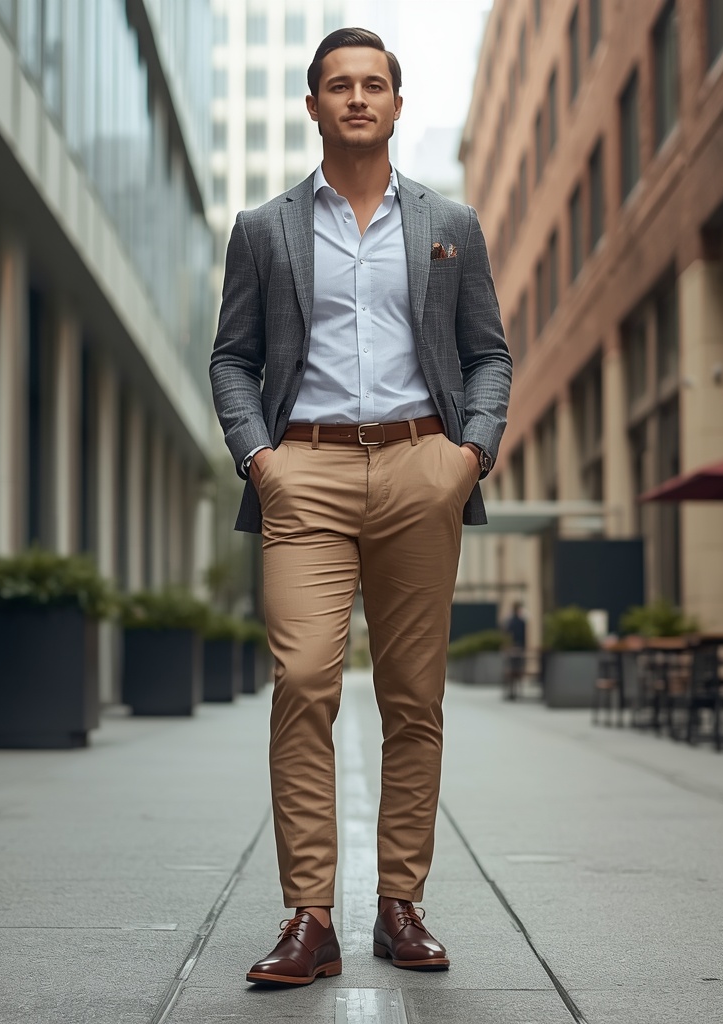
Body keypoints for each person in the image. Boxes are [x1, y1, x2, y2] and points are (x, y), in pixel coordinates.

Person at [210, 27, 512, 986]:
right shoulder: (265, 229)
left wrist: (469, 453)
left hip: (425, 464)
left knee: (413, 696)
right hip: (306, 472)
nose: (356, 99)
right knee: (304, 681)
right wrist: (260, 458)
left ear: (393, 102)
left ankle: (397, 904)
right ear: (312, 106)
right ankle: (310, 917)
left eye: (372, 84)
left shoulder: (447, 221)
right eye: (338, 85)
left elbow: (488, 353)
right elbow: (232, 358)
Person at [504, 601, 527, 700]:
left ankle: (513, 691)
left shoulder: (512, 622)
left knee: (514, 670)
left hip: (515, 647)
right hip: (517, 647)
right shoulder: (518, 622)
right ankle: (515, 691)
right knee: (515, 670)